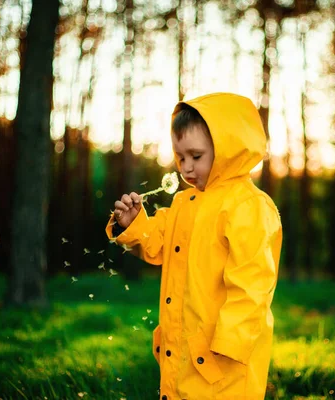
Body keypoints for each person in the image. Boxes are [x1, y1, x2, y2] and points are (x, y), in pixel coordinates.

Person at [106, 92, 283, 400]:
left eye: (196, 156)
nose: (186, 168)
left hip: (225, 359)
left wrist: (230, 345)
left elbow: (253, 283)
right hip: (184, 350)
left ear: (228, 148)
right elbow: (157, 244)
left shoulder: (248, 206)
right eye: (180, 157)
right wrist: (133, 223)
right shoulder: (183, 203)